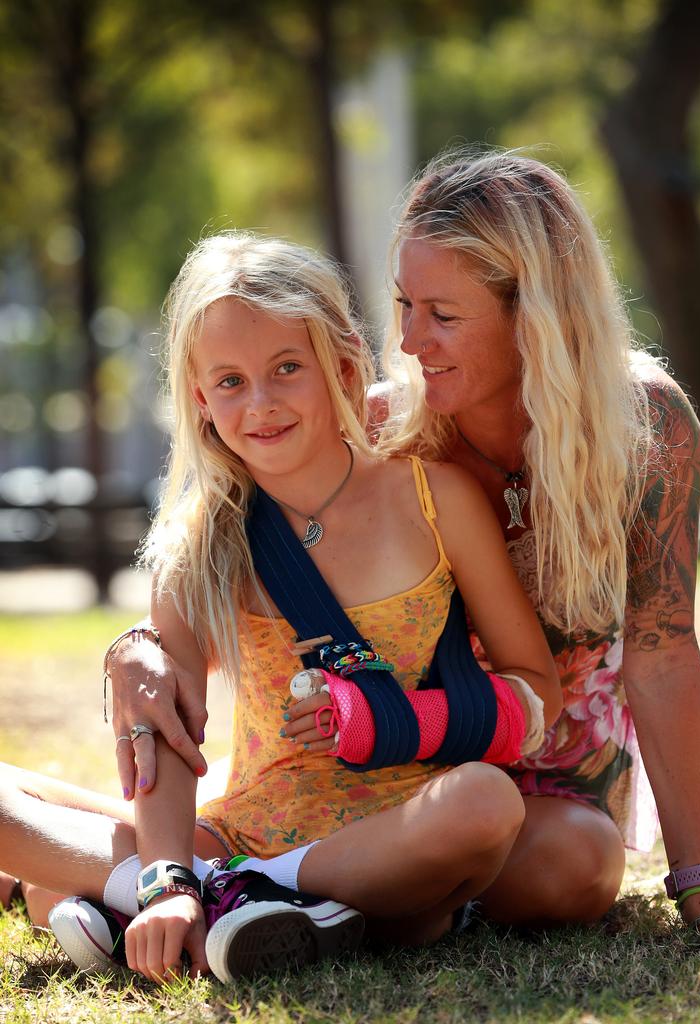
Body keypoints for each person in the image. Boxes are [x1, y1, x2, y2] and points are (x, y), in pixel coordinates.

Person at [101, 150, 700, 946]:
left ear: (537, 311)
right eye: (403, 304)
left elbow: (661, 653)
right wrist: (134, 648)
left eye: (442, 315)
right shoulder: (386, 428)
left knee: (577, 871)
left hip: (544, 778)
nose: (409, 342)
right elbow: (221, 540)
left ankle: (281, 897)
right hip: (383, 781)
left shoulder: (646, 429)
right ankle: (242, 887)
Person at [0, 232, 562, 984]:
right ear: (199, 399)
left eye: (287, 369)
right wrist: (168, 879)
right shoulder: (201, 539)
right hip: (245, 825)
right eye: (229, 382)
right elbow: (172, 736)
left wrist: (391, 721)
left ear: (345, 366)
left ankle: (203, 897)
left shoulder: (434, 499)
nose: (260, 403)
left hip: (405, 820)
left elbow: (536, 689)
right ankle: (221, 900)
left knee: (488, 804)